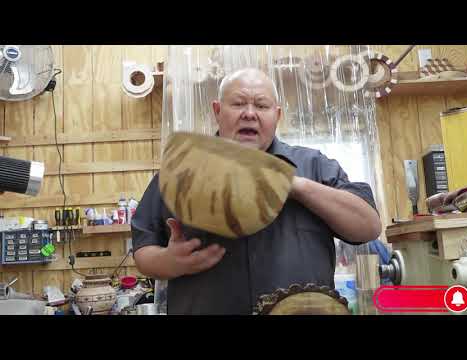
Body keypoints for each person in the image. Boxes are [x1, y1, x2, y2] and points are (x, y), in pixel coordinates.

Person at [131, 68, 382, 314]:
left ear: (277, 114)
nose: (249, 113)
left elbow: (368, 226)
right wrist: (169, 262)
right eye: (238, 104)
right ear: (217, 111)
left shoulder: (314, 166)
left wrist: (294, 185)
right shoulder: (179, 172)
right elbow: (143, 250)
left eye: (261, 106)